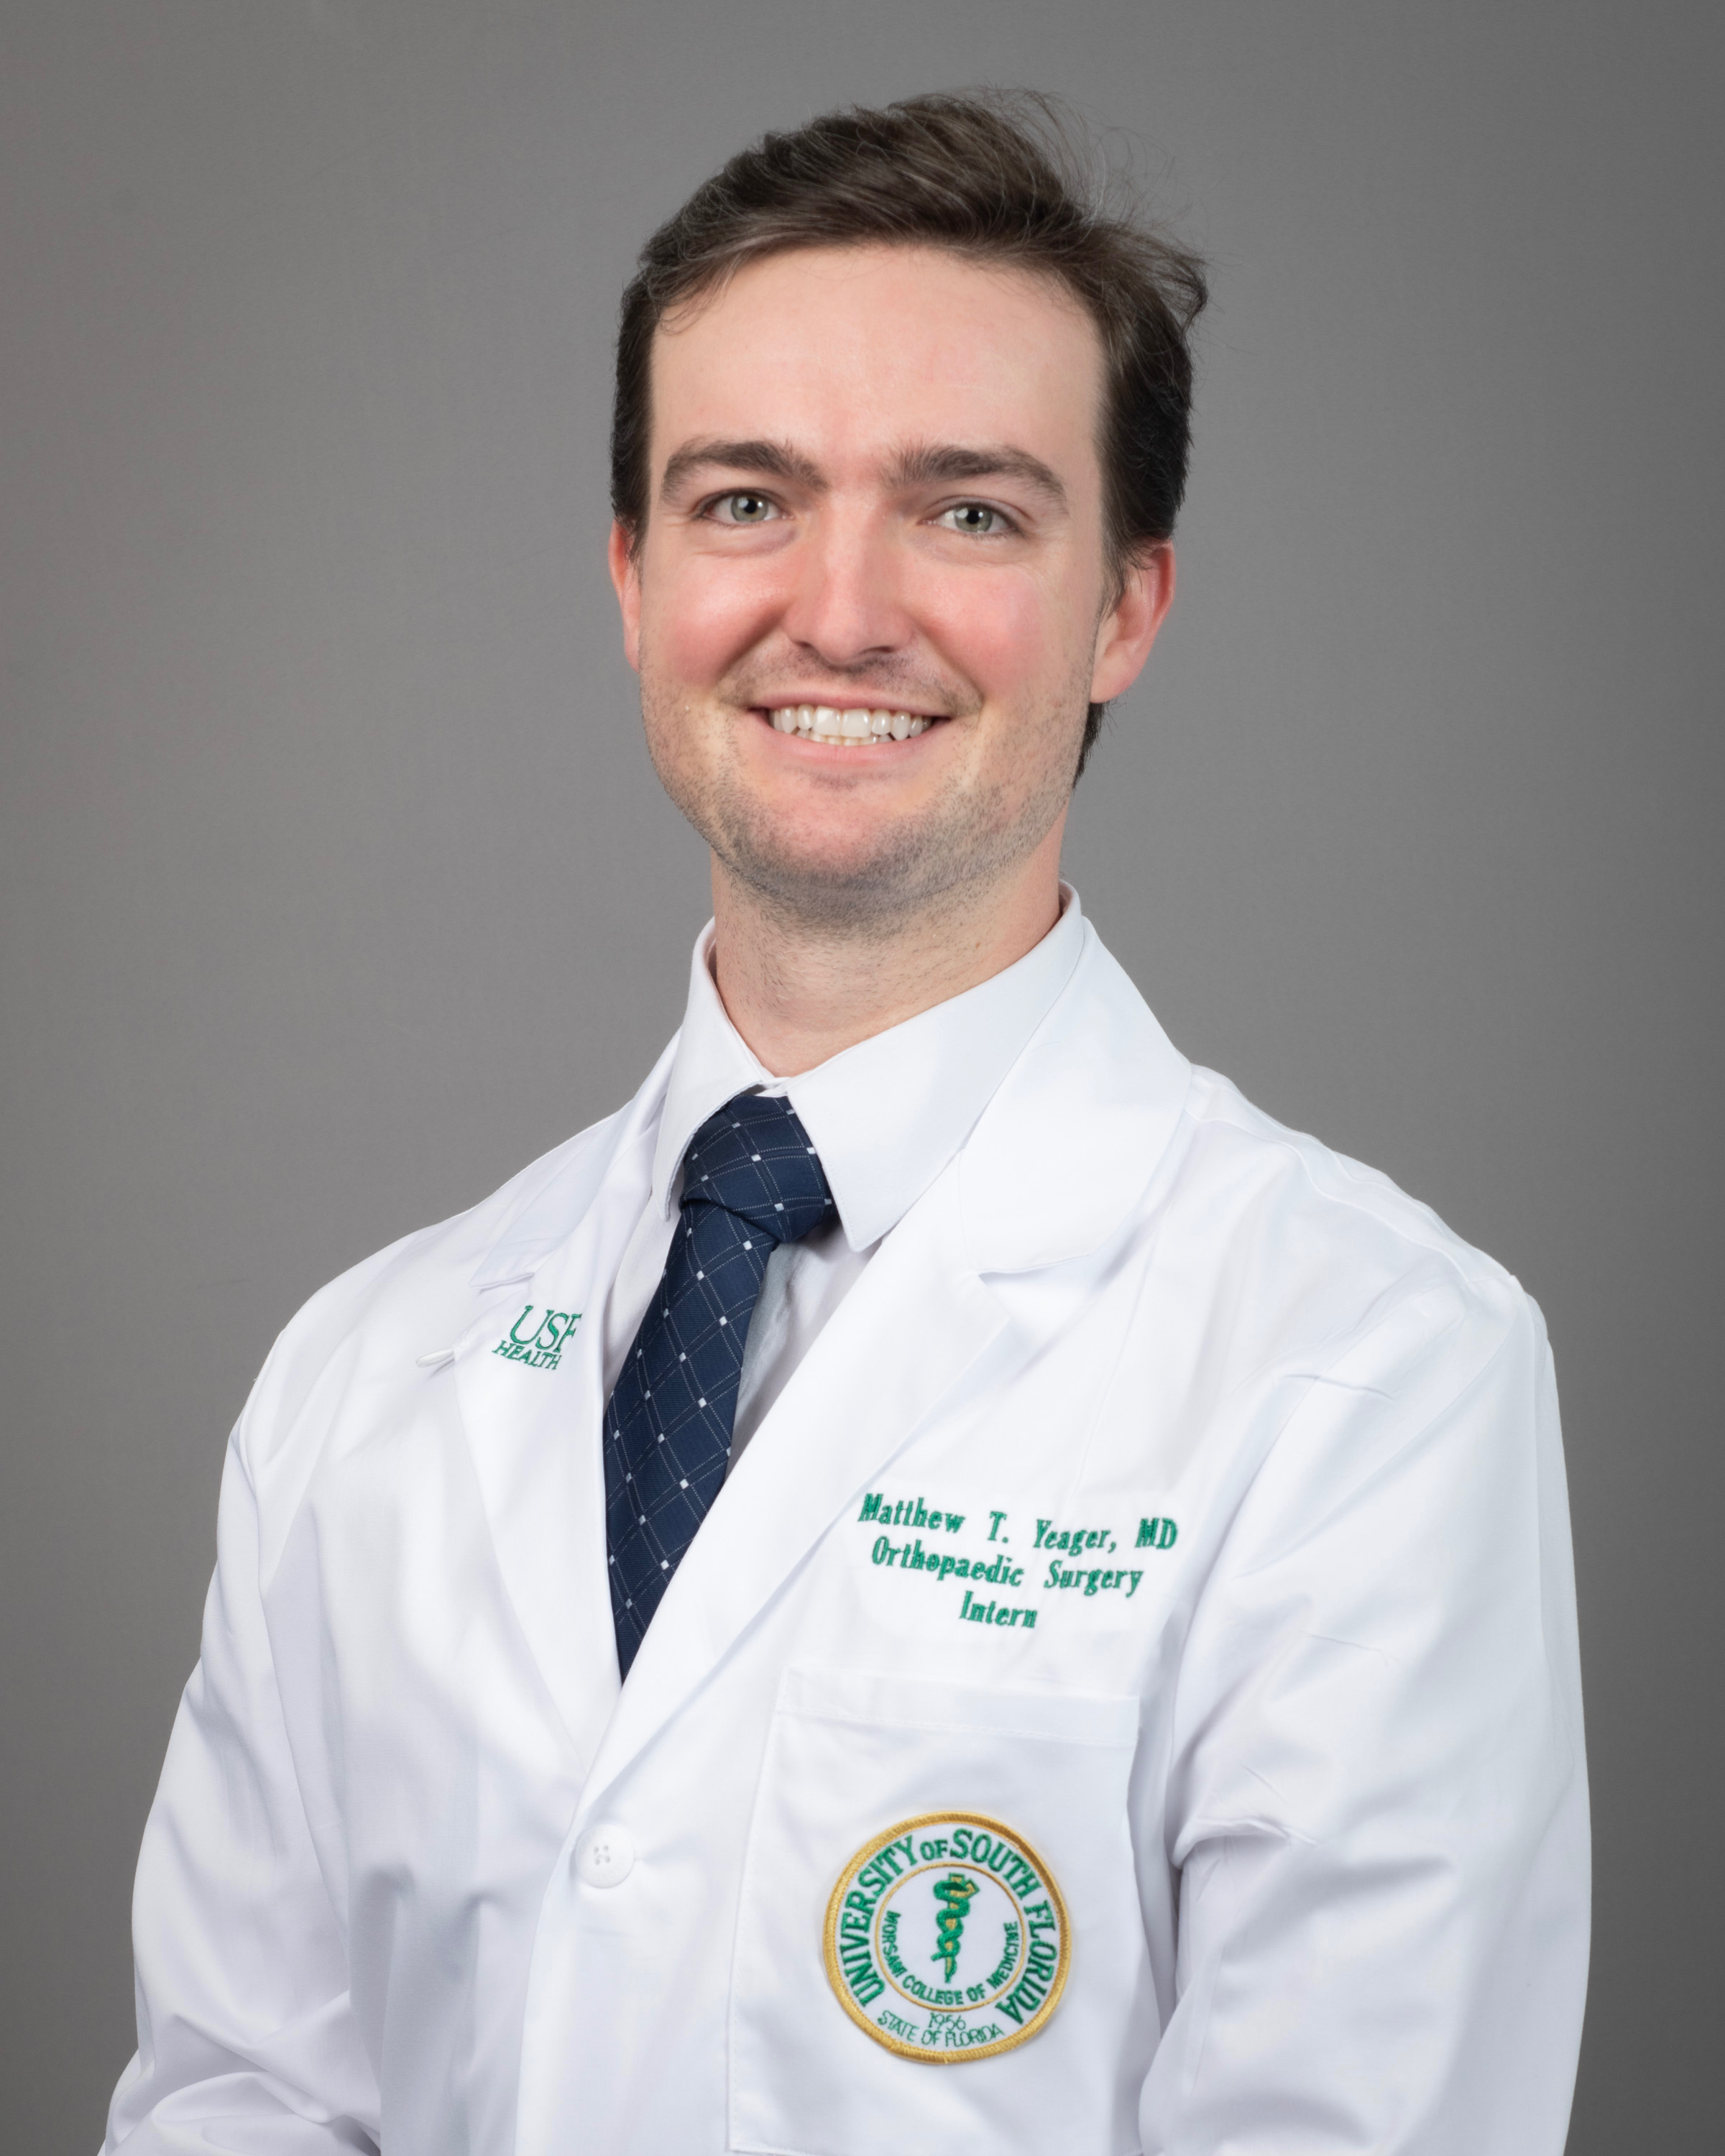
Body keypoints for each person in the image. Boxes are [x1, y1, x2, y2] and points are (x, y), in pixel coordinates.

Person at [103, 92, 1588, 2156]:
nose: (842, 608)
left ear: (1128, 606)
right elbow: (238, 2101)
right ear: (634, 579)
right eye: (745, 501)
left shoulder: (1370, 1374)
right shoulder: (361, 1381)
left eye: (968, 512)